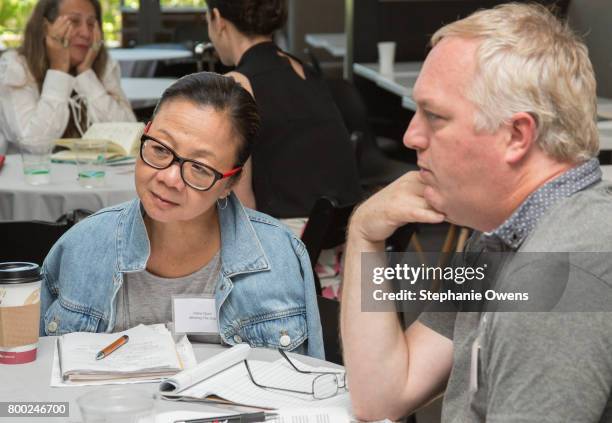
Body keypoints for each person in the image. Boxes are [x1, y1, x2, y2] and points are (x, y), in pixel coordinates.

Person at [341, 3, 612, 422]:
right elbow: (385, 392)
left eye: (434, 116)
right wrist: (364, 235)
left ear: (516, 135)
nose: (412, 135)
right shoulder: (500, 237)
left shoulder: (556, 283)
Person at [40, 72, 324, 359]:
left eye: (199, 168)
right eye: (160, 149)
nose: (170, 178)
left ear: (230, 183)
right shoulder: (80, 248)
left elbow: (311, 387)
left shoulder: (280, 258)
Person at [205, 0, 362, 220]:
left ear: (218, 20)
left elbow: (242, 206)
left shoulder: (237, 85)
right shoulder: (302, 69)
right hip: (341, 227)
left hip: (291, 237)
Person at [0, 0, 135, 154]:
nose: (86, 33)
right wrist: (59, 70)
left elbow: (129, 136)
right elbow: (35, 144)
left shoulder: (103, 66)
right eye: (74, 21)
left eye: (91, 24)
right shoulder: (16, 66)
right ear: (46, 28)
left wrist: (86, 75)